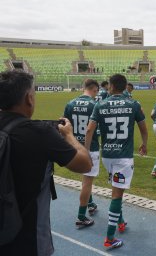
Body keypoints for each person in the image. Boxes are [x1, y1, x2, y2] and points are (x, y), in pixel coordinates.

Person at [0, 70, 91, 256]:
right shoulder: (40, 133)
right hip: (28, 240)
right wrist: (69, 136)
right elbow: (84, 164)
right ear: (29, 98)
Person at [85, 74, 148, 250]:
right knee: (117, 195)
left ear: (111, 86)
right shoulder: (133, 104)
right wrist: (144, 143)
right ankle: (110, 238)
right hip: (124, 157)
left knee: (115, 188)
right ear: (125, 86)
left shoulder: (100, 104)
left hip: (107, 156)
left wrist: (86, 150)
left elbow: (90, 130)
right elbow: (143, 127)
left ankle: (120, 222)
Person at [64, 79, 100, 228]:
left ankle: (90, 203)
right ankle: (81, 216)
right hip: (89, 146)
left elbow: (63, 124)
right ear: (95, 90)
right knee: (87, 181)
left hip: (74, 145)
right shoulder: (95, 105)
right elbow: (95, 129)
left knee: (85, 178)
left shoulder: (70, 103)